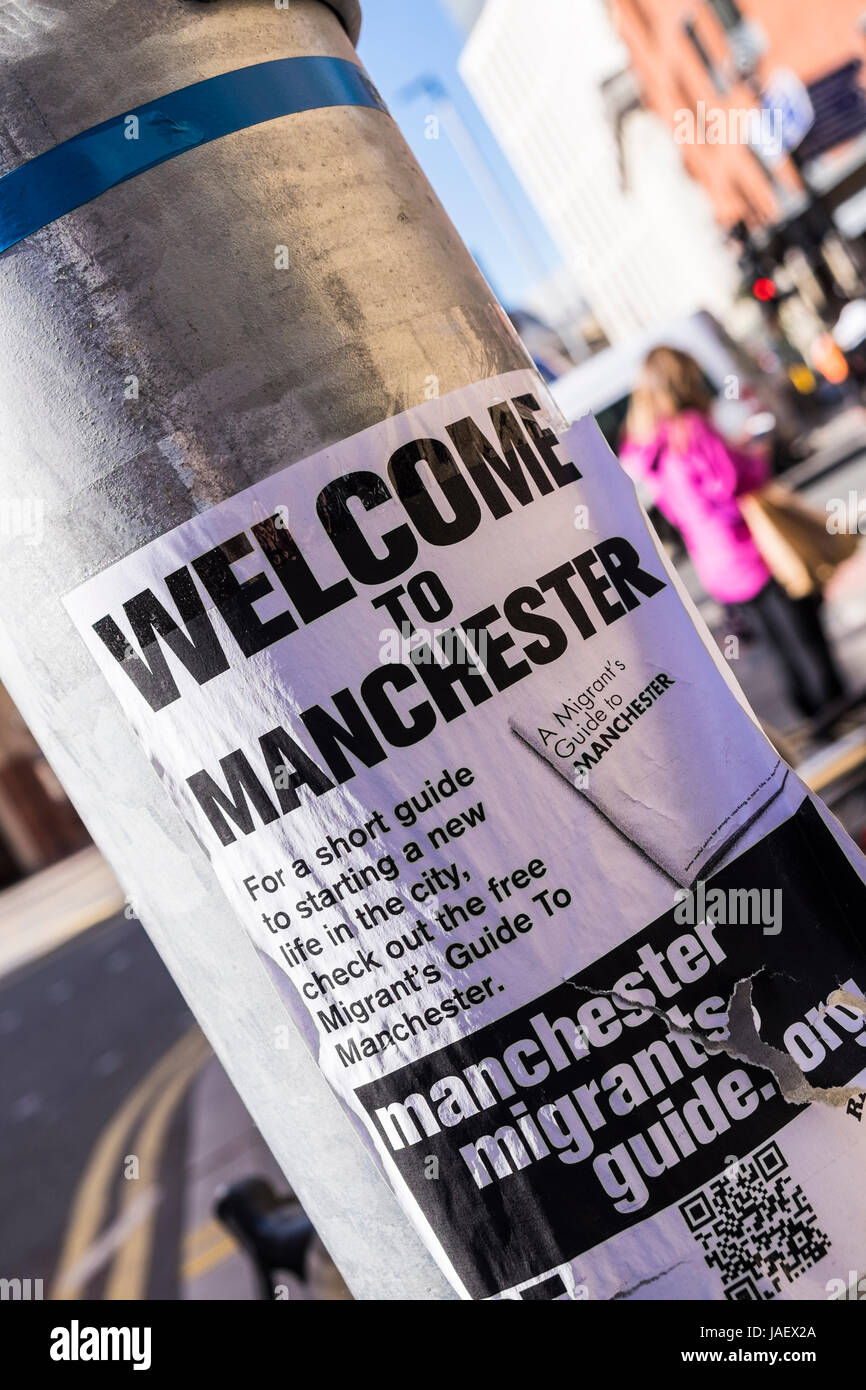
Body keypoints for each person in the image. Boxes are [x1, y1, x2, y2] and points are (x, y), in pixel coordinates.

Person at [619, 345, 846, 722]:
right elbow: (728, 486)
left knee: (778, 646)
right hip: (751, 550)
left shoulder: (647, 446)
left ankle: (815, 717)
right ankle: (838, 714)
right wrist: (755, 456)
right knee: (805, 632)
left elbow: (684, 501)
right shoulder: (691, 427)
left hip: (714, 562)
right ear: (682, 380)